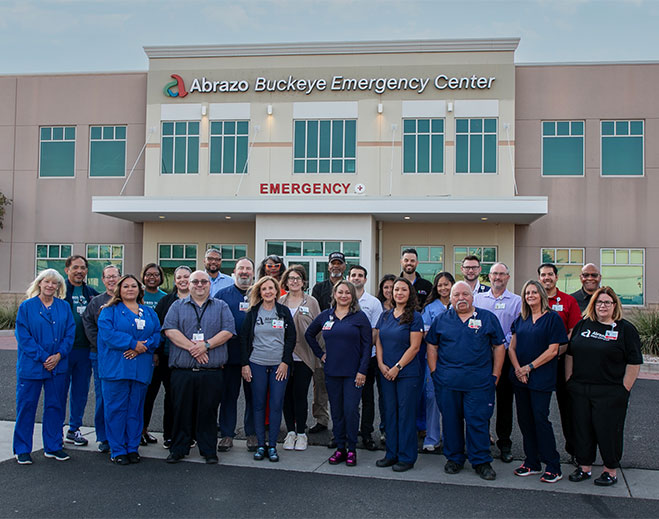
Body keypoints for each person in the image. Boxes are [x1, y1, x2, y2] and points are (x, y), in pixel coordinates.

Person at [426, 281, 505, 481]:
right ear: (450, 299)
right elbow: (432, 346)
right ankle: (454, 458)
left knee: (477, 422)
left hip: (478, 383)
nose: (461, 298)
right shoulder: (442, 320)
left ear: (472, 297)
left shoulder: (487, 318)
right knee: (451, 422)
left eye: (465, 294)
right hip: (448, 383)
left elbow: (498, 346)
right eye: (456, 295)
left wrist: (495, 375)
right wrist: (435, 373)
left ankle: (481, 461)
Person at [566, 287, 643, 487]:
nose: (603, 306)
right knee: (582, 429)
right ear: (593, 305)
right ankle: (584, 467)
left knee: (608, 431)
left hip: (610, 391)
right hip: (581, 388)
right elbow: (571, 353)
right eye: (599, 302)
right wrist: (569, 380)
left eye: (607, 302)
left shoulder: (625, 329)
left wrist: (624, 389)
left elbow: (634, 362)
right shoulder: (583, 325)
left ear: (614, 305)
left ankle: (610, 470)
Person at [163, 270, 236, 464]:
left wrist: (207, 345)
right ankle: (178, 449)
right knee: (181, 411)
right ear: (189, 284)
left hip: (211, 372)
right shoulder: (177, 306)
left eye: (204, 281)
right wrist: (194, 348)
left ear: (210, 285)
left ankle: (208, 450)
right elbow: (170, 330)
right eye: (195, 281)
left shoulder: (221, 306)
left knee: (208, 412)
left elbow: (228, 331)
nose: (200, 285)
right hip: (183, 371)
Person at [305, 281, 371, 467]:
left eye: (347, 293)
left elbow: (367, 347)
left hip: (354, 373)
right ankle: (340, 447)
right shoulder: (326, 316)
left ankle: (351, 449)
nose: (343, 295)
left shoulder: (360, 317)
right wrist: (320, 354)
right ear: (334, 294)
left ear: (352, 296)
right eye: (340, 292)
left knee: (350, 410)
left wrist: (362, 371)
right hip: (332, 371)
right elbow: (309, 334)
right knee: (337, 411)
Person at [97, 274, 161, 465]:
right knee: (116, 409)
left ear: (139, 290)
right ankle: (117, 449)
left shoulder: (149, 312)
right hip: (117, 368)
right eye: (126, 286)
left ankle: (132, 447)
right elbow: (108, 335)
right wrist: (133, 344)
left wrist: (144, 346)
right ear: (119, 290)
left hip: (140, 368)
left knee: (135, 409)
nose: (130, 289)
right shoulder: (109, 311)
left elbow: (157, 334)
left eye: (134, 286)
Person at [508, 280, 567, 483]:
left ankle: (553, 465)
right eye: (527, 293)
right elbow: (511, 348)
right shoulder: (521, 319)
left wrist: (529, 367)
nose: (530, 295)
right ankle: (531, 462)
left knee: (540, 420)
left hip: (540, 378)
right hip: (520, 378)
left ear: (542, 294)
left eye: (534, 292)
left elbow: (553, 351)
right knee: (524, 420)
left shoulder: (553, 319)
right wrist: (518, 368)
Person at [13, 269, 75, 464]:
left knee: (55, 406)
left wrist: (58, 355)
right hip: (32, 366)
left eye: (54, 283)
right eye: (46, 282)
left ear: (59, 287)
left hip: (58, 366)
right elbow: (23, 337)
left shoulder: (64, 307)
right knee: (26, 407)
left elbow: (70, 333)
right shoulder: (26, 307)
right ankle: (22, 449)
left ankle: (53, 446)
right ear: (39, 283)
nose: (50, 286)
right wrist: (44, 357)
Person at [240, 276, 296, 462]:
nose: (268, 292)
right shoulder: (253, 313)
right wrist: (245, 364)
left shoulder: (283, 311)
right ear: (260, 292)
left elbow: (291, 339)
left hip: (279, 365)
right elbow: (244, 339)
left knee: (276, 404)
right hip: (256, 363)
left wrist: (285, 362)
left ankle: (272, 446)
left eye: (271, 288)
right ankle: (261, 445)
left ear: (277, 290)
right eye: (264, 289)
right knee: (258, 404)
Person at [375, 277, 424, 472]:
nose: (399, 293)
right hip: (385, 372)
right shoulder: (385, 316)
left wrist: (397, 367)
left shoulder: (415, 317)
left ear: (410, 293)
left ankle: (406, 456)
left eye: (403, 290)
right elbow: (378, 341)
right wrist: (380, 364)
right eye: (396, 290)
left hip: (407, 374)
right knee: (390, 413)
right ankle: (391, 453)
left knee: (406, 415)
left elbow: (415, 347)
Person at [474, 263, 522, 463]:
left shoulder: (517, 301)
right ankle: (482, 439)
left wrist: (502, 342)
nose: (498, 277)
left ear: (508, 277)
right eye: (494, 274)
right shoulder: (477, 299)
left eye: (502, 274)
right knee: (480, 402)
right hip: (482, 359)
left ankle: (505, 443)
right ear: (489, 277)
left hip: (507, 358)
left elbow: (519, 328)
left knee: (504, 403)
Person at [538, 262, 581, 462]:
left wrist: (555, 352)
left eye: (550, 274)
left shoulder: (568, 301)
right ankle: (539, 450)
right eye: (543, 275)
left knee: (568, 408)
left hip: (561, 362)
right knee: (539, 410)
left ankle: (574, 450)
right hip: (539, 365)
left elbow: (573, 332)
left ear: (556, 277)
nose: (546, 278)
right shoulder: (533, 300)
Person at [216, 258, 258, 452]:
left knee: (253, 397)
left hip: (255, 355)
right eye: (241, 268)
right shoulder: (222, 295)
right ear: (234, 271)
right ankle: (226, 434)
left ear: (253, 272)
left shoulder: (259, 294)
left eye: (248, 269)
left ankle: (252, 434)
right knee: (228, 396)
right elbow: (215, 325)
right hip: (229, 356)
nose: (244, 272)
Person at [149, 265, 192, 449]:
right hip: (168, 357)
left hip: (192, 357)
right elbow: (156, 328)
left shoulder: (199, 300)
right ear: (175, 281)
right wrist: (157, 352)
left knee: (190, 399)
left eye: (186, 277)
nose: (183, 280)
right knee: (171, 397)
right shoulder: (166, 301)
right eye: (179, 277)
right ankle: (169, 435)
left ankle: (188, 435)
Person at [280, 265, 321, 451]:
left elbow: (319, 329)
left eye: (298, 278)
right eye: (291, 278)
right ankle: (290, 432)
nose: (294, 281)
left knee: (300, 394)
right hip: (283, 358)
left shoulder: (311, 302)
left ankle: (301, 432)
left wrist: (320, 355)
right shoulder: (279, 301)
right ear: (286, 281)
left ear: (304, 282)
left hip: (304, 356)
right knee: (285, 395)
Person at [82, 264, 121, 453]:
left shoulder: (128, 300)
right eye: (108, 277)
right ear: (103, 280)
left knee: (123, 397)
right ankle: (104, 436)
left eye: (115, 276)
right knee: (104, 397)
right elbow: (89, 324)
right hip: (101, 356)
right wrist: (103, 345)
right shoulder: (96, 302)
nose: (112, 280)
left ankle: (123, 435)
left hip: (125, 356)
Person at [309, 252, 346, 436]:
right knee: (320, 380)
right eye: (333, 263)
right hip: (323, 336)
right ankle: (321, 419)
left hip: (345, 336)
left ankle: (343, 420)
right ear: (329, 266)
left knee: (342, 381)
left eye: (339, 263)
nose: (336, 266)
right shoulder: (319, 288)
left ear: (344, 266)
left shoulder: (348, 287)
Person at [63, 254, 99, 447]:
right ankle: (54, 430)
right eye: (75, 267)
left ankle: (74, 429)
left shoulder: (92, 293)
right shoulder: (59, 291)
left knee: (80, 392)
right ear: (67, 270)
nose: (79, 271)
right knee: (58, 391)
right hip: (62, 351)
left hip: (84, 351)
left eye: (83, 268)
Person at [349, 265, 383, 451]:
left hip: (367, 357)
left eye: (360, 275)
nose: (356, 278)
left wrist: (364, 351)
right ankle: (346, 433)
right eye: (353, 275)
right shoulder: (342, 298)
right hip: (347, 359)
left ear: (365, 279)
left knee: (367, 397)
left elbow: (376, 331)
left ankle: (367, 433)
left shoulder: (373, 302)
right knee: (347, 398)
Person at [420, 272, 455, 453]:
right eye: (440, 285)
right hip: (433, 360)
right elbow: (426, 334)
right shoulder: (430, 308)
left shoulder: (459, 306)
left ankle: (451, 439)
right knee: (432, 397)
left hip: (455, 362)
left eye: (446, 284)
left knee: (452, 400)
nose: (443, 288)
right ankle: (432, 437)